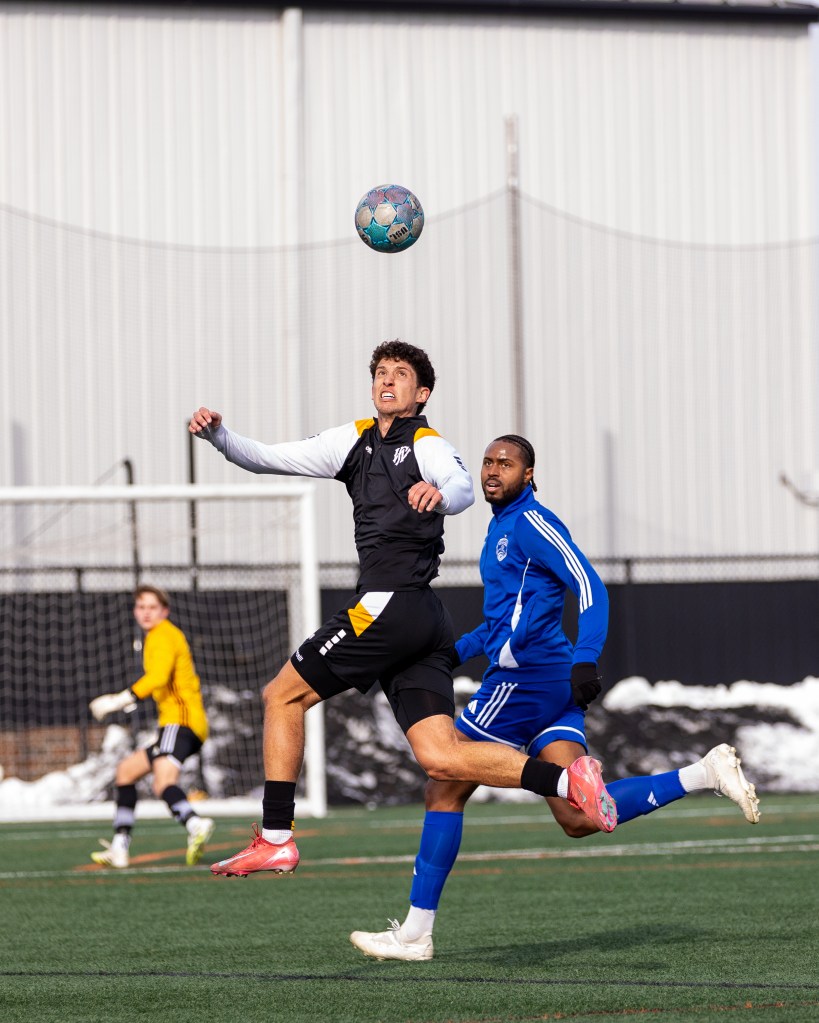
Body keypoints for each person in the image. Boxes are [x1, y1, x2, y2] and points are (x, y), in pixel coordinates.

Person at [188, 341, 618, 879]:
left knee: (281, 695)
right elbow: (269, 457)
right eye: (380, 373)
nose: (387, 381)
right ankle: (568, 782)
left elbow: (460, 486)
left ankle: (276, 838)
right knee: (442, 758)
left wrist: (441, 496)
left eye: (400, 374)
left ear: (422, 394)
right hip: (422, 619)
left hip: (387, 605)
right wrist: (220, 437)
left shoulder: (426, 443)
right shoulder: (353, 440)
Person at [349, 434, 761, 961]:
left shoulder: (531, 522)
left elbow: (590, 585)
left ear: (529, 474)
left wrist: (587, 656)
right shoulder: (500, 527)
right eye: (488, 462)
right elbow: (501, 624)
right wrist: (452, 654)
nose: (493, 470)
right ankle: (704, 774)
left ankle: (414, 935)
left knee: (443, 784)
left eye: (506, 463)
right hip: (546, 683)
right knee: (579, 817)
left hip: (525, 682)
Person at [88, 585, 215, 868]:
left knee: (163, 783)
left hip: (181, 721)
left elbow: (158, 677)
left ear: (164, 611)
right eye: (141, 607)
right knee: (125, 773)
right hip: (176, 724)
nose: (146, 613)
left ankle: (195, 823)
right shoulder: (156, 636)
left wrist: (118, 700)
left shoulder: (163, 635)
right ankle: (120, 847)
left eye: (152, 607)